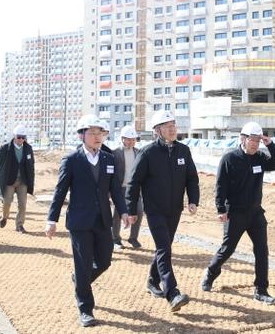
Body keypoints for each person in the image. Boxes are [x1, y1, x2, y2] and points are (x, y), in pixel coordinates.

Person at [45, 114, 133, 328]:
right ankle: (85, 309)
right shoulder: (71, 160)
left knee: (104, 261)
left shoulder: (108, 159)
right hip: (80, 221)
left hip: (102, 219)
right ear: (81, 135)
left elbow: (115, 189)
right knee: (83, 264)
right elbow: (60, 191)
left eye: (100, 133)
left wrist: (123, 211)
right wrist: (52, 219)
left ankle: (80, 281)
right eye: (92, 133)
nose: (97, 137)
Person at [201, 122, 275, 304]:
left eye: (257, 140)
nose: (255, 144)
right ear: (243, 139)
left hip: (255, 213)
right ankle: (211, 272)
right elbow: (220, 186)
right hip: (235, 213)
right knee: (227, 249)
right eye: (252, 140)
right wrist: (221, 209)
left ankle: (261, 290)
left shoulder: (260, 157)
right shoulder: (229, 159)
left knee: (262, 251)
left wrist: (270, 144)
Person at [126, 110, 199, 312]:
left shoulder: (183, 151)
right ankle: (172, 293)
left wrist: (193, 200)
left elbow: (192, 178)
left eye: (173, 125)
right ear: (157, 130)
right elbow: (134, 182)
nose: (172, 129)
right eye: (167, 126)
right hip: (155, 210)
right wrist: (131, 210)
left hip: (175, 209)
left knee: (163, 248)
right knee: (165, 249)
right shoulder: (147, 153)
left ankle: (152, 281)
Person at [0, 125, 35, 233]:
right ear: (14, 136)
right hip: (9, 180)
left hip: (23, 181)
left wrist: (31, 179)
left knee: (22, 205)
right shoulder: (5, 148)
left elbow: (31, 164)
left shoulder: (28, 148)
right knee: (7, 202)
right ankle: (4, 217)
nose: (21, 139)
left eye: (23, 137)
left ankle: (19, 225)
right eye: (19, 137)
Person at [112, 125, 143, 249]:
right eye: (128, 139)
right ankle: (116, 239)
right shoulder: (115, 153)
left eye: (133, 139)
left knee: (139, 212)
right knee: (117, 214)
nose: (131, 142)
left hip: (134, 189)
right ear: (122, 139)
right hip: (120, 188)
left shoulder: (139, 152)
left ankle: (133, 238)